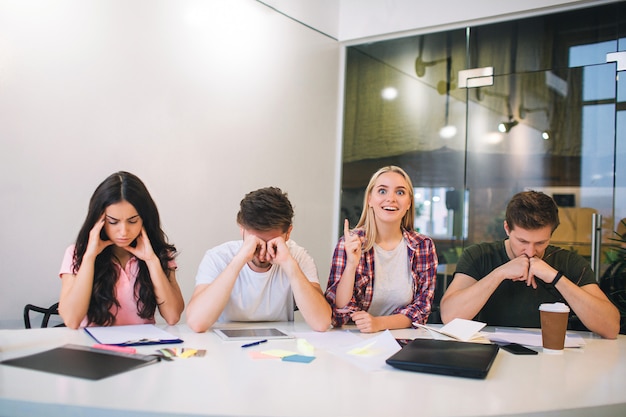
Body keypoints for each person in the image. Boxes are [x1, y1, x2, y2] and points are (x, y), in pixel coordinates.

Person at [440, 190, 619, 339]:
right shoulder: (479, 255)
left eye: (541, 243)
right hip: (489, 352)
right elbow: (449, 316)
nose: (531, 251)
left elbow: (611, 328)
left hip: (553, 357)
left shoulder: (569, 262)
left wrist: (556, 278)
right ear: (507, 229)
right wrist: (499, 273)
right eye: (522, 241)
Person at [186, 187, 331, 333]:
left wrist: (289, 265)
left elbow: (321, 323)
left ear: (288, 234)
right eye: (256, 244)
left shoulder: (297, 257)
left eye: (272, 244)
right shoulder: (218, 257)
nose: (263, 254)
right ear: (241, 229)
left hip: (281, 348)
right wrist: (239, 261)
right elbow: (196, 323)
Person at [58, 171, 184, 329]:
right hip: (95, 349)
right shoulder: (76, 253)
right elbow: (71, 320)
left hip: (142, 347)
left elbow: (172, 316)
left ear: (144, 219)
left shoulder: (158, 254)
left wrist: (151, 261)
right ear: (99, 221)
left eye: (132, 221)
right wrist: (89, 258)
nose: (124, 231)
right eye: (113, 222)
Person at [325, 166, 438, 333]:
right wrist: (351, 265)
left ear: (409, 203)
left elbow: (422, 308)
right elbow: (339, 312)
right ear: (370, 199)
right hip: (354, 339)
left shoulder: (423, 246)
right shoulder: (350, 243)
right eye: (382, 191)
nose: (391, 198)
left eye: (400, 192)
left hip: (403, 340)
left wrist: (379, 323)